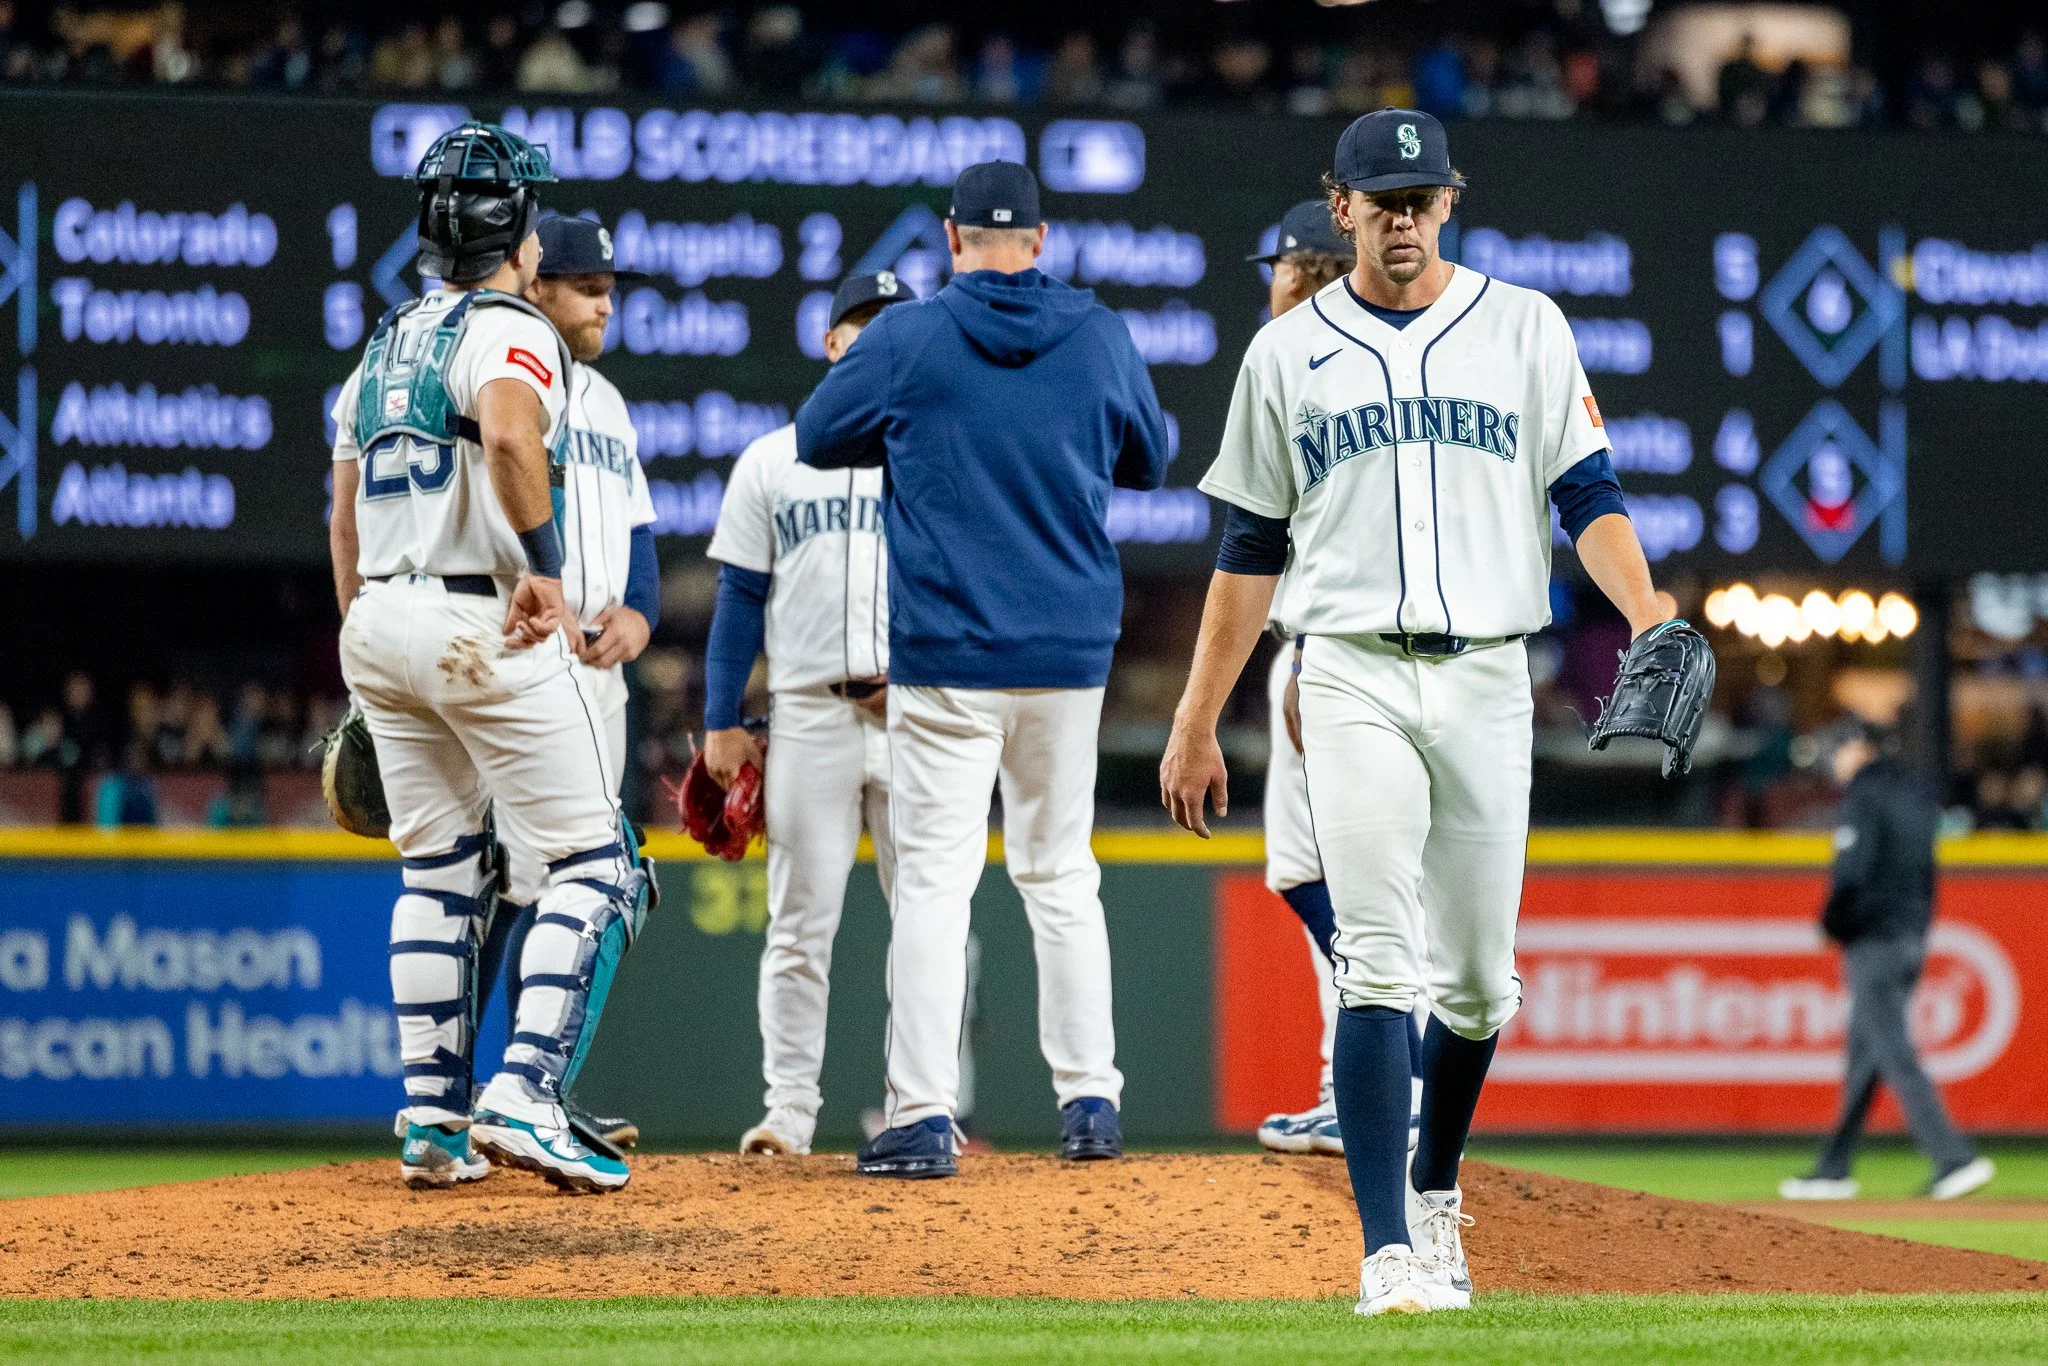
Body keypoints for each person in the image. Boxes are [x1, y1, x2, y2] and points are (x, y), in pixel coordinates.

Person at [1159, 110, 1673, 1314]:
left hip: (1490, 671)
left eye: (1419, 199)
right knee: (1376, 960)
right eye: (1378, 200)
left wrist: (1645, 610)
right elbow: (1246, 545)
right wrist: (1196, 718)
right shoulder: (1284, 353)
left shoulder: (1524, 326)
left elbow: (1585, 489)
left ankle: (1434, 1188)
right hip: (1347, 668)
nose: (1400, 219)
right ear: (1335, 206)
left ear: (1451, 202)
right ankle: (1385, 1249)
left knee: (1483, 987)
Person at [796, 160, 1171, 1178]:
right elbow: (1153, 457)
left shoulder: (910, 335)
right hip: (1065, 653)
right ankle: (1090, 1101)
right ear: (1040, 241)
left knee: (932, 886)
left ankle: (920, 1116)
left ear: (951, 241)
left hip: (948, 657)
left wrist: (920, 424)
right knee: (1058, 875)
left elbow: (817, 431)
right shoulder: (1094, 333)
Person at [328, 121, 649, 1194]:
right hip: (479, 621)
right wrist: (546, 564)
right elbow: (512, 437)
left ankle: (430, 1122)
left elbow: (340, 515)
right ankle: (523, 1090)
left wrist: (364, 647)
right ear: (517, 231)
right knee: (599, 865)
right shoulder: (506, 326)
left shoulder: (380, 347)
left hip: (379, 617)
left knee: (439, 870)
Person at [701, 270, 916, 1158]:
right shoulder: (772, 457)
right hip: (810, 713)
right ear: (832, 344)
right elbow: (738, 597)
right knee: (798, 925)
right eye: (861, 328)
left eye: (893, 330)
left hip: (919, 709)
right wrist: (720, 715)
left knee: (932, 920)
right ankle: (789, 1110)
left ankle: (918, 1105)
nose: (875, 342)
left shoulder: (934, 453)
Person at [467, 211, 662, 1157]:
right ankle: (481, 1091)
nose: (603, 307)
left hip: (600, 676)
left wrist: (642, 616)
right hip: (518, 658)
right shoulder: (501, 381)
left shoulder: (613, 406)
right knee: (508, 883)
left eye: (610, 292)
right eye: (588, 289)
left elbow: (640, 535)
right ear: (535, 285)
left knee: (580, 887)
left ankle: (537, 1087)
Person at [1244, 200, 1424, 1159]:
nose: (1266, 286)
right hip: (1347, 639)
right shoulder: (1358, 354)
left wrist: (1313, 652)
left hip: (1336, 643)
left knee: (1332, 874)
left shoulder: (1315, 360)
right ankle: (1357, 1079)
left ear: (1305, 269)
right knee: (1332, 874)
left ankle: (1400, 1072)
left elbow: (1336, 523)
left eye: (1276, 268)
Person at [1781, 723, 1995, 1202]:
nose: (1834, 761)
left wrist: (1831, 925)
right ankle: (1833, 1168)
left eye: (1839, 750)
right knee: (1866, 1055)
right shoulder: (1914, 797)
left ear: (1858, 750)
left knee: (1894, 1052)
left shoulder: (1864, 796)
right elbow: (1927, 876)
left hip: (1874, 942)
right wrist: (1916, 932)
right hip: (1910, 938)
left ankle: (1953, 1158)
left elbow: (1852, 872)